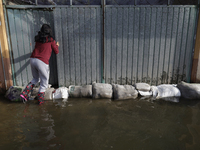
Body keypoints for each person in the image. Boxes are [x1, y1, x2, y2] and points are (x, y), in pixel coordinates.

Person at [20, 24, 59, 105]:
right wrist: (56, 45)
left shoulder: (38, 39)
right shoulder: (51, 40)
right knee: (44, 83)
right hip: (42, 61)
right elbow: (56, 51)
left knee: (35, 79)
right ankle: (40, 102)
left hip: (33, 59)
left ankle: (24, 94)